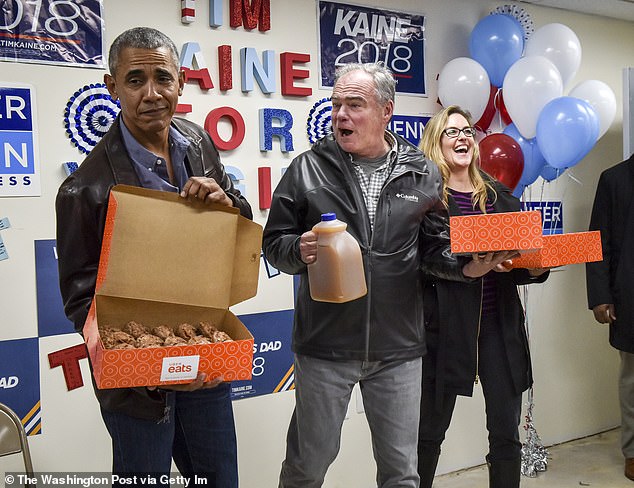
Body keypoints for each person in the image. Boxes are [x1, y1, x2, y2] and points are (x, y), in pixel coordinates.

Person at [262, 64, 514, 488]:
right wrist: (297, 250)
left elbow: (434, 250)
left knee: (401, 472)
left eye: (354, 105)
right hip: (326, 346)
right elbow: (274, 243)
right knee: (308, 466)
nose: (341, 115)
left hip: (399, 349)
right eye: (336, 104)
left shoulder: (422, 172)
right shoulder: (307, 169)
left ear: (385, 112)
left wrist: (470, 267)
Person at [55, 27, 252, 487]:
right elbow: (80, 296)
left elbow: (239, 221)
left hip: (204, 354)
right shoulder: (84, 188)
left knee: (220, 478)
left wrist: (228, 203)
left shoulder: (199, 144)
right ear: (112, 87)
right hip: (137, 380)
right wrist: (148, 365)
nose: (151, 93)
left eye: (162, 78)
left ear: (181, 82)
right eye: (135, 79)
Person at [416, 105, 549, 488]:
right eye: (451, 132)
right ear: (436, 144)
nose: (463, 138)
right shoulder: (427, 199)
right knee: (428, 435)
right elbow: (426, 259)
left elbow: (517, 260)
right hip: (445, 331)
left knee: (505, 434)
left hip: (499, 328)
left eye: (468, 132)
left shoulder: (500, 196)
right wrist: (470, 266)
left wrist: (535, 268)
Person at [586, 152, 634, 482]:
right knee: (632, 380)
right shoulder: (614, 179)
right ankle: (633, 452)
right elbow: (597, 242)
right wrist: (600, 296)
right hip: (630, 295)